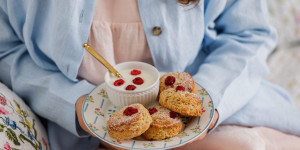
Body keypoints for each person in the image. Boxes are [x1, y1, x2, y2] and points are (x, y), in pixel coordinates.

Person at [0, 0, 299, 149]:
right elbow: (7, 50)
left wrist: (204, 103)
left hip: (211, 115)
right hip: (82, 134)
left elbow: (249, 34)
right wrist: (73, 105)